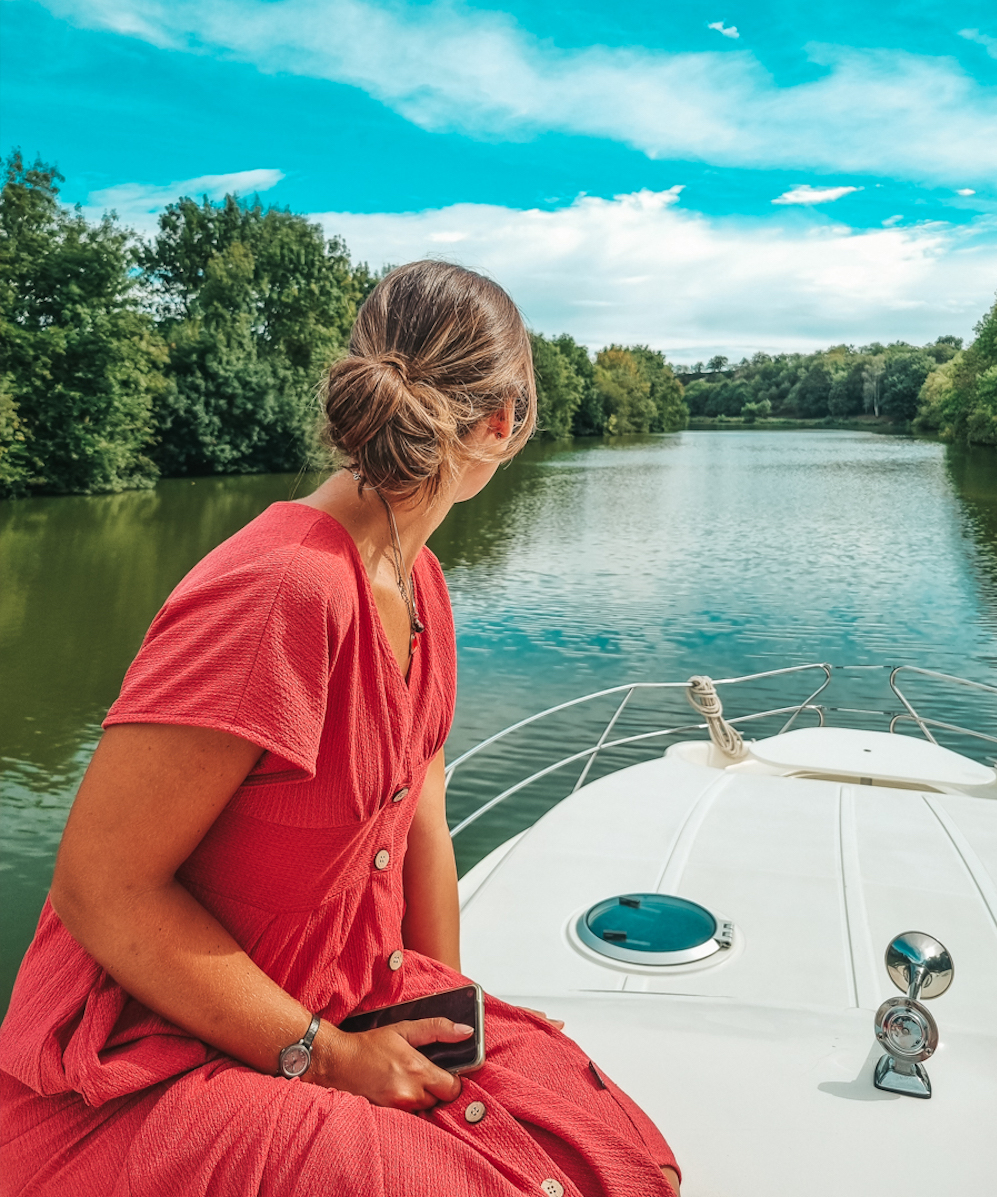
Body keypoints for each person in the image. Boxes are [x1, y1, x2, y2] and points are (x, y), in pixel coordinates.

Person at [0, 261, 681, 1196]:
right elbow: (101, 886)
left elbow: (420, 828)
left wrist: (446, 1011)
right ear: (504, 423)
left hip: (345, 997)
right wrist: (323, 1057)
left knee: (623, 1155)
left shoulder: (422, 586)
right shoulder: (280, 589)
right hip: (160, 1059)